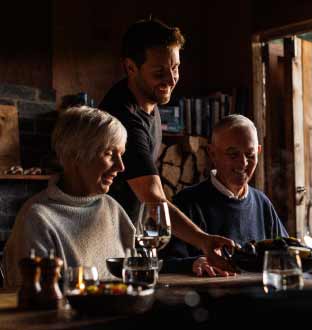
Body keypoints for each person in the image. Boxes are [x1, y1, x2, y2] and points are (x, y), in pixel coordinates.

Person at [99, 18, 234, 271]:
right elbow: (153, 197)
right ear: (130, 67)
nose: (171, 79)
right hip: (104, 238)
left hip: (128, 236)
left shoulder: (149, 102)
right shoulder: (124, 117)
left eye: (176, 68)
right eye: (159, 72)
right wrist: (204, 241)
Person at [3, 106, 133, 286]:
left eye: (121, 155)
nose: (121, 167)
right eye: (109, 153)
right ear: (73, 155)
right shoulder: (37, 218)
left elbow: (133, 279)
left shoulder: (113, 209)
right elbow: (31, 301)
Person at [161, 114, 288, 276]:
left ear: (259, 151)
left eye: (250, 155)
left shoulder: (262, 203)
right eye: (233, 154)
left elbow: (286, 252)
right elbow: (164, 264)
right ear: (212, 153)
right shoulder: (186, 202)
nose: (243, 163)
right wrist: (193, 263)